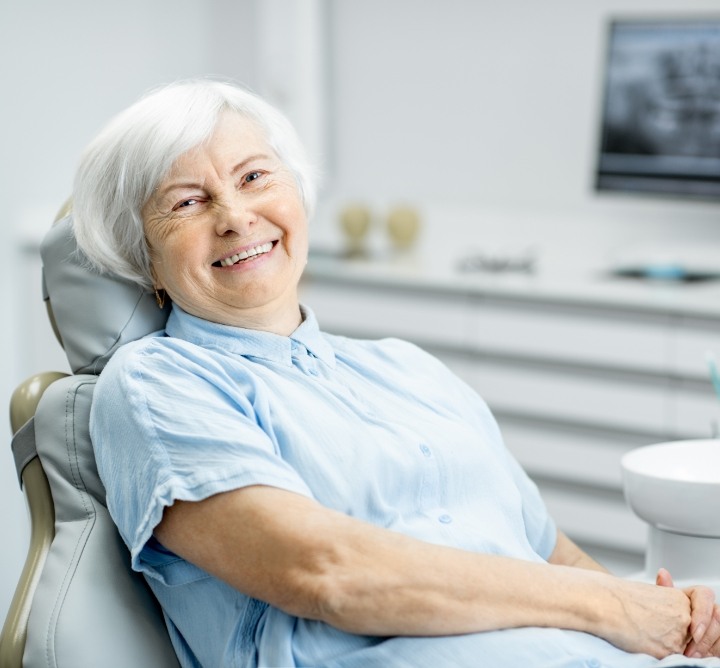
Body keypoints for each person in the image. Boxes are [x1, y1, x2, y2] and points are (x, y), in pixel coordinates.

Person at [71, 78, 720, 668]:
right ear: (147, 262)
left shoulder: (408, 368)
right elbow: (328, 573)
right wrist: (611, 608)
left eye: (254, 177)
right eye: (187, 202)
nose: (235, 215)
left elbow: (550, 553)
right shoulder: (157, 384)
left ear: (297, 194)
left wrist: (680, 626)